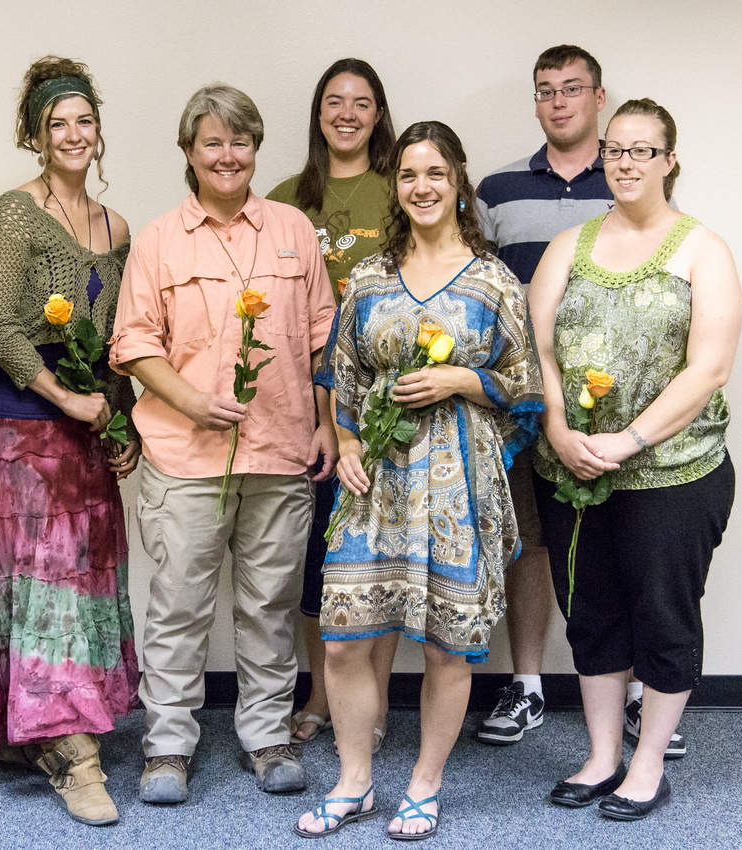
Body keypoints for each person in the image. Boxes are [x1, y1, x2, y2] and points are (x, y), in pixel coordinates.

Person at [295, 121, 543, 840]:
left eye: (435, 173)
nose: (422, 186)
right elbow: (338, 376)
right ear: (396, 187)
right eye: (409, 175)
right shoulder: (369, 279)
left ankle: (424, 786)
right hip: (374, 476)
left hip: (457, 483)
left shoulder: (494, 282)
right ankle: (353, 783)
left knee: (443, 643)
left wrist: (467, 378)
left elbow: (524, 386)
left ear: (458, 180)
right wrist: (343, 439)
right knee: (343, 638)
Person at [110, 83, 335, 805]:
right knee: (178, 607)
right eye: (212, 142)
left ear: (255, 150)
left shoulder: (294, 231)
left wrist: (328, 424)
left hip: (280, 452)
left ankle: (266, 737)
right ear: (188, 154)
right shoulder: (157, 240)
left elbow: (323, 339)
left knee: (269, 606)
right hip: (184, 457)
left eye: (239, 141)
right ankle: (167, 747)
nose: (227, 154)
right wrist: (189, 401)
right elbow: (134, 343)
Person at [0, 56, 141, 828]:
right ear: (35, 135)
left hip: (89, 421)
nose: (72, 134)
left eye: (83, 120)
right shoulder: (13, 213)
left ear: (98, 130)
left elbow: (119, 339)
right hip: (23, 422)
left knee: (77, 582)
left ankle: (31, 731)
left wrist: (115, 421)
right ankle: (73, 752)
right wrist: (65, 399)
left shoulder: (116, 228)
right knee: (38, 585)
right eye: (57, 123)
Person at [529, 98, 741, 820]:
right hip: (572, 472)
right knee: (590, 614)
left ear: (668, 160)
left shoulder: (700, 248)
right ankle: (599, 755)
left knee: (661, 615)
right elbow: (541, 353)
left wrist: (629, 440)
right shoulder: (568, 246)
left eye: (640, 151)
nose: (624, 163)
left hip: (672, 473)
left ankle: (647, 761)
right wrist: (557, 428)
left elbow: (707, 367)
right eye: (614, 150)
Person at [473, 44, 615, 748]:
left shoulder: (627, 182)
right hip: (521, 404)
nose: (558, 101)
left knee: (615, 543)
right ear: (535, 103)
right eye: (545, 90)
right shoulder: (495, 191)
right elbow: (475, 297)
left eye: (571, 88)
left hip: (608, 405)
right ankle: (525, 687)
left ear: (598, 97)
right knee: (527, 544)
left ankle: (640, 693)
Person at [266, 57, 400, 752]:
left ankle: (368, 704)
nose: (346, 113)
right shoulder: (287, 198)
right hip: (308, 408)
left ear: (378, 114)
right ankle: (320, 693)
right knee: (317, 558)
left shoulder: (401, 187)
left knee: (375, 558)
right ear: (318, 114)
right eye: (333, 102)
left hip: (391, 407)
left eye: (361, 102)